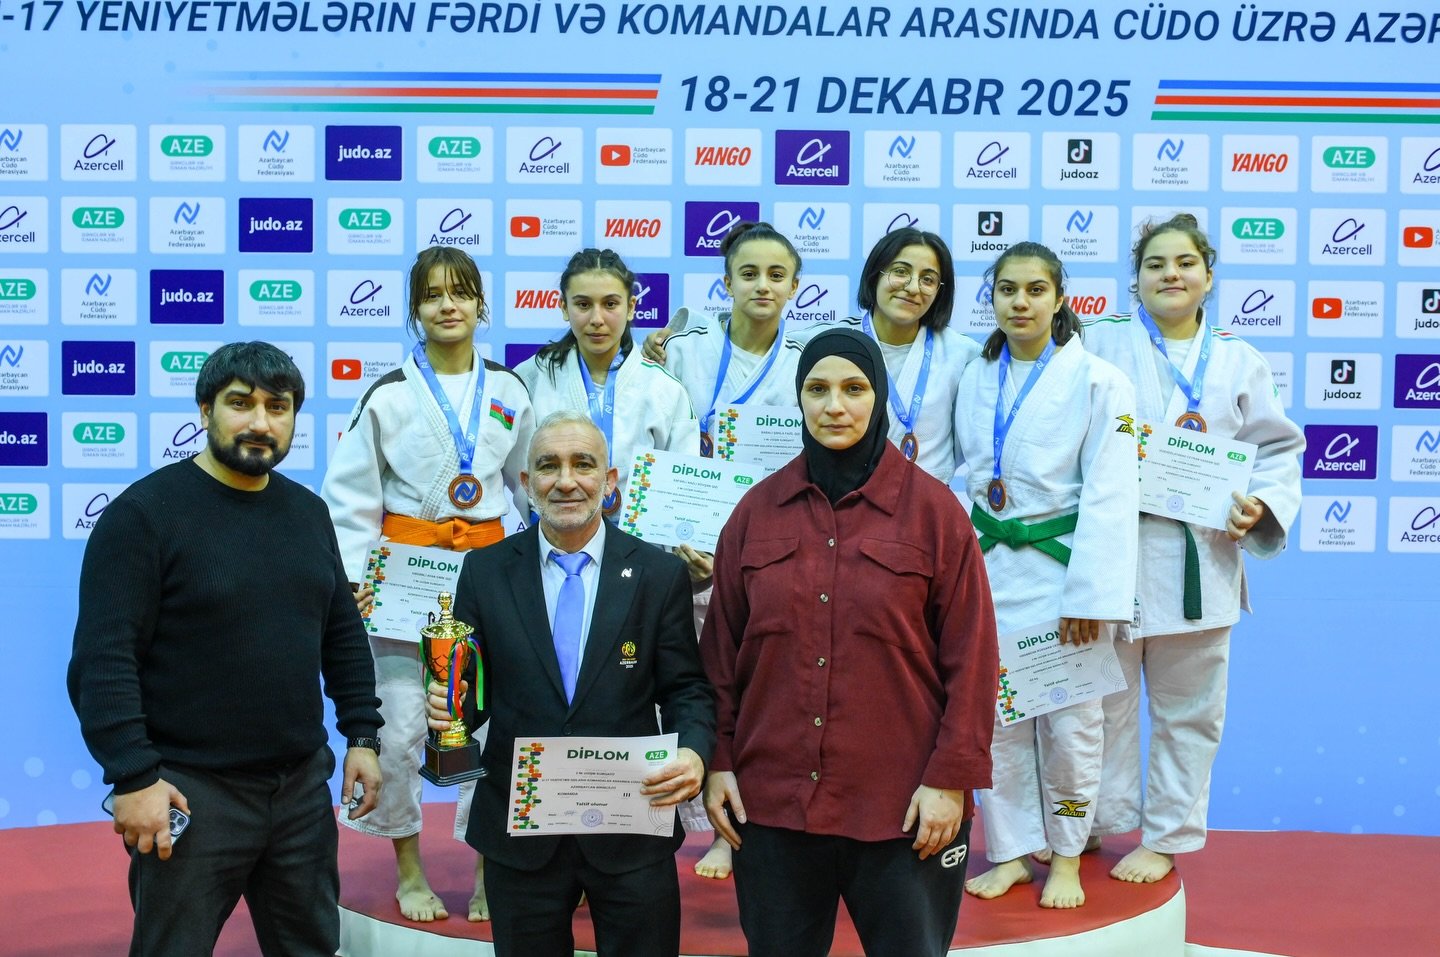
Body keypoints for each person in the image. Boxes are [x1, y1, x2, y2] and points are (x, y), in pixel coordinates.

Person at [67, 341, 383, 957]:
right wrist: (133, 777)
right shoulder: (143, 516)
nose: (260, 422)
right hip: (189, 792)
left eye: (278, 407)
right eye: (241, 403)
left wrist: (363, 736)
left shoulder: (309, 512)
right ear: (205, 409)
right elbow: (103, 662)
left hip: (300, 791)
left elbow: (341, 634)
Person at [700, 328, 999, 956]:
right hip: (772, 807)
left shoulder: (935, 514)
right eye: (817, 390)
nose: (834, 406)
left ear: (878, 397)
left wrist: (950, 780)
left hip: (904, 808)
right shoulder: (756, 512)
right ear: (799, 399)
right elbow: (720, 657)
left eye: (854, 389)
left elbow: (973, 660)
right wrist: (718, 761)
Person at [426, 410, 715, 957]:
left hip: (632, 827)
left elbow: (687, 689)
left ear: (609, 481)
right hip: (521, 834)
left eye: (583, 464)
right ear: (525, 482)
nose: (566, 481)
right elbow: (471, 694)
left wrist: (695, 753)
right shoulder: (484, 572)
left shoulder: (658, 575)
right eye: (548, 466)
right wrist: (450, 705)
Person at [1084, 214, 1304, 883]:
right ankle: (1087, 822)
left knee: (1189, 713)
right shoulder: (1097, 341)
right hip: (1110, 554)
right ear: (1136, 278)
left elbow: (1278, 449)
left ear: (1208, 276)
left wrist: (1260, 504)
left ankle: (1166, 836)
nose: (1170, 274)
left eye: (1185, 262)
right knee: (1096, 705)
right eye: (1155, 263)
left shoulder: (1240, 359)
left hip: (1198, 558)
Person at [321, 245, 534, 923]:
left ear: (480, 305)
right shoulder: (386, 394)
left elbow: (530, 486)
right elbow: (349, 498)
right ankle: (409, 870)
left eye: (461, 292)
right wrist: (352, 583)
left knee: (494, 728)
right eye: (433, 294)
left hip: (490, 574)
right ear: (414, 308)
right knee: (397, 728)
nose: (448, 305)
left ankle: (489, 868)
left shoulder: (509, 391)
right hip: (405, 581)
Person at [952, 243, 1139, 909]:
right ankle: (1009, 851)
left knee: (1072, 726)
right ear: (992, 297)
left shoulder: (1099, 381)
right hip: (988, 570)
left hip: (1063, 577)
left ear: (1060, 298)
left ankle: (1065, 853)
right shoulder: (975, 374)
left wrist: (1094, 596)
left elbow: (1112, 494)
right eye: (1007, 289)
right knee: (992, 720)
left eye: (1036, 289)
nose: (1020, 302)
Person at [515, 247, 698, 517]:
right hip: (555, 532)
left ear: (631, 307)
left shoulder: (665, 389)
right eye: (583, 305)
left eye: (610, 304)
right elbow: (520, 474)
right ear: (564, 307)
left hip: (639, 539)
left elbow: (683, 484)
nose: (597, 319)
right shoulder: (532, 378)